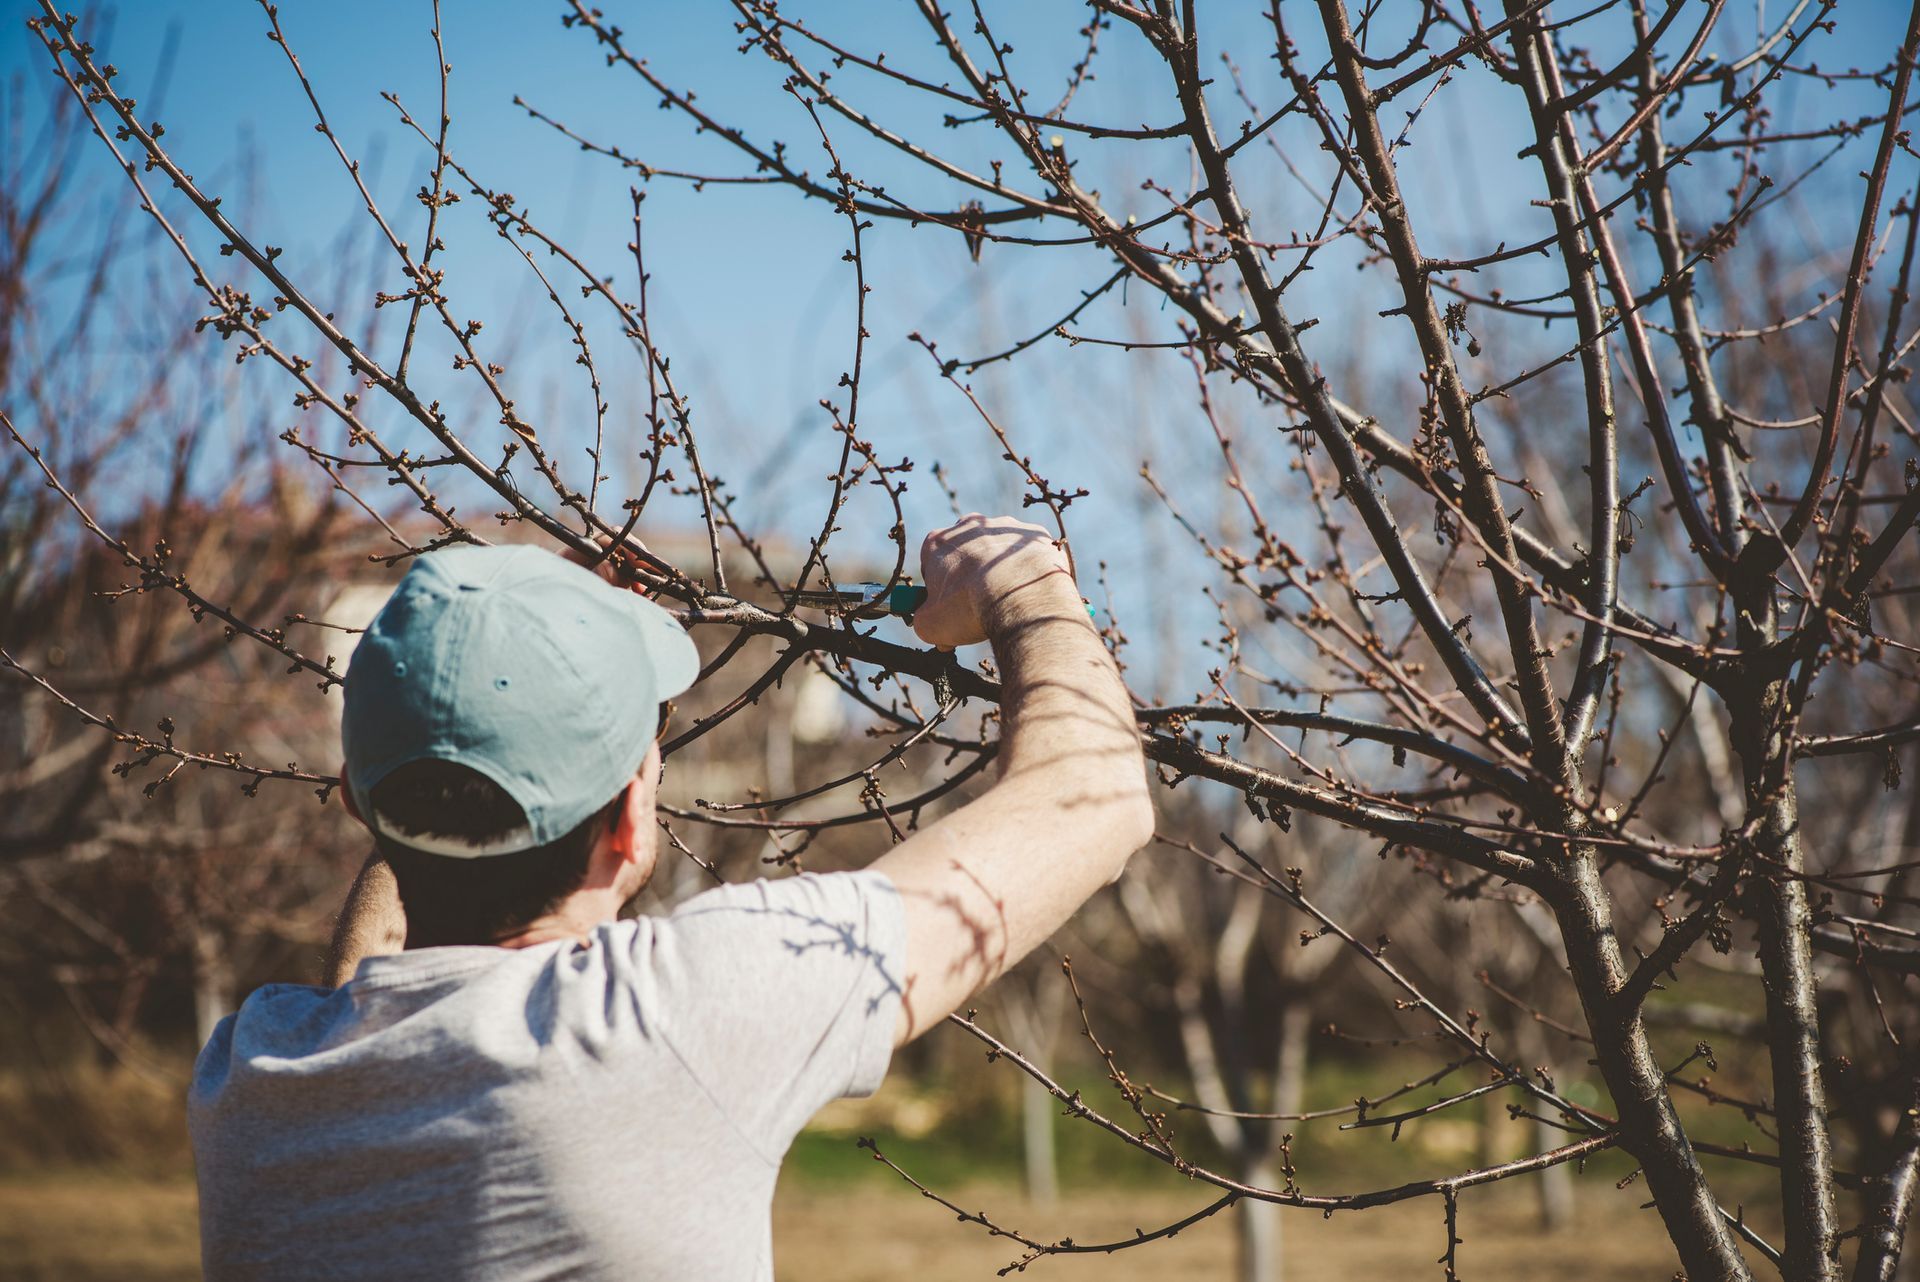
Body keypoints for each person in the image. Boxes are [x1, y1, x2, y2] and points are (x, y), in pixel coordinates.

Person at [188, 514, 1152, 1281]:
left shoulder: (255, 1079)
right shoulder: (677, 1018)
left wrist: (530, 685)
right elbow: (1093, 799)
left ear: (362, 803)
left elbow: (381, 967)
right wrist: (1026, 584)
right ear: (629, 827)